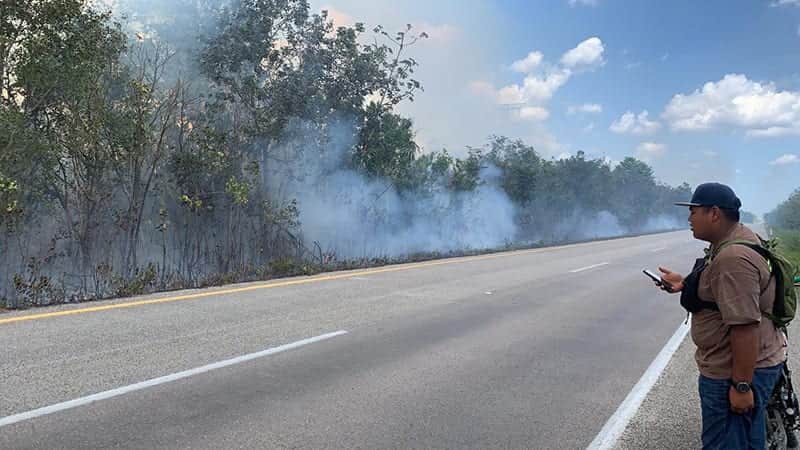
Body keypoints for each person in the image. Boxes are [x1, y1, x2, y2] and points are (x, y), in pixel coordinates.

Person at [657, 182, 786, 450]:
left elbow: (745, 327)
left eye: (694, 211)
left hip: (733, 372)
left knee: (727, 443)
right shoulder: (737, 239)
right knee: (745, 440)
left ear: (714, 213)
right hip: (745, 365)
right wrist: (684, 284)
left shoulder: (733, 258)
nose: (689, 218)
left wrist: (741, 386)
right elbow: (723, 293)